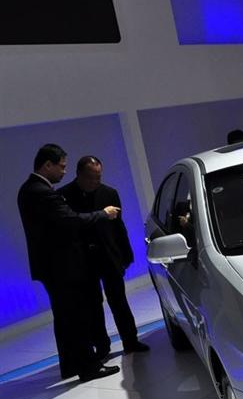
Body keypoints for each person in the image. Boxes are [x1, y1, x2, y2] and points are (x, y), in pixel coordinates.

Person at [17, 144, 121, 382]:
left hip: (51, 266)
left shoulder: (28, 189)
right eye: (62, 167)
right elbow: (71, 221)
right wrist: (103, 214)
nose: (64, 172)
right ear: (47, 165)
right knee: (77, 317)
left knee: (65, 319)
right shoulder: (41, 192)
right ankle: (89, 367)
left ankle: (71, 365)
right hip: (62, 267)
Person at [61, 156, 150, 358]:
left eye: (98, 177)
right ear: (79, 175)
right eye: (90, 177)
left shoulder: (109, 193)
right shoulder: (64, 196)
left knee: (119, 300)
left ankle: (130, 340)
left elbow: (118, 227)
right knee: (92, 305)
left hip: (108, 255)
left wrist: (126, 254)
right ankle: (101, 346)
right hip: (82, 260)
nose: (95, 182)